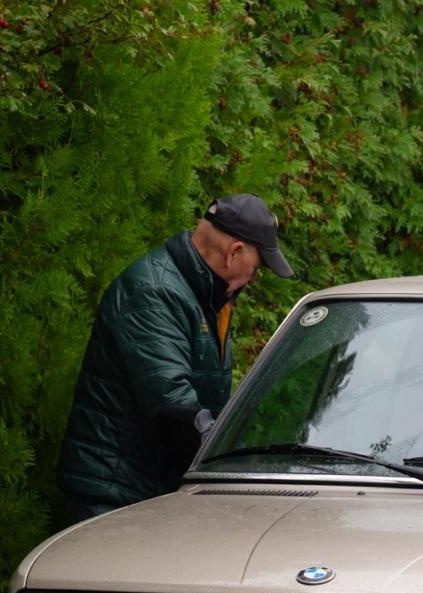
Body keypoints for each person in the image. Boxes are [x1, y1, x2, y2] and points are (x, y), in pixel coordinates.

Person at [56, 194, 294, 523]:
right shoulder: (154, 291)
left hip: (151, 492)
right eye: (257, 268)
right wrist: (231, 459)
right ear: (234, 252)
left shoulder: (207, 297)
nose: (254, 278)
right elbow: (172, 399)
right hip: (113, 497)